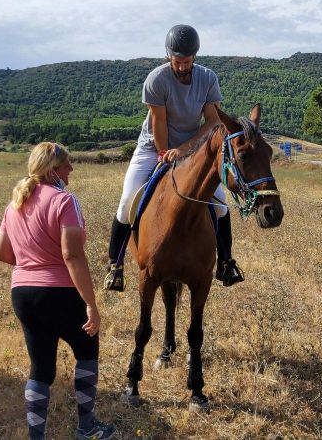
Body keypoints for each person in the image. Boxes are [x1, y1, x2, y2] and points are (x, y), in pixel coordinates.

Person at [103, 24, 243, 291]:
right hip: (153, 146)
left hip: (192, 149)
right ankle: (115, 265)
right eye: (177, 61)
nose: (181, 66)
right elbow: (159, 122)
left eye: (187, 61)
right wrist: (165, 154)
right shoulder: (156, 80)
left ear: (195, 57)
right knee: (127, 200)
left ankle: (226, 262)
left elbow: (213, 121)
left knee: (221, 204)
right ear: (168, 56)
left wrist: (186, 149)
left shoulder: (208, 78)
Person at [0, 142, 116, 440]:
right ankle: (86, 428)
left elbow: (3, 253)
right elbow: (72, 256)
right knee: (87, 351)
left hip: (22, 293)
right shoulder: (65, 200)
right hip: (60, 292)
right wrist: (91, 303)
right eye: (67, 165)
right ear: (52, 171)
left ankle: (36, 436)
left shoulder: (14, 204)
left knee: (40, 368)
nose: (71, 169)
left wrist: (30, 263)